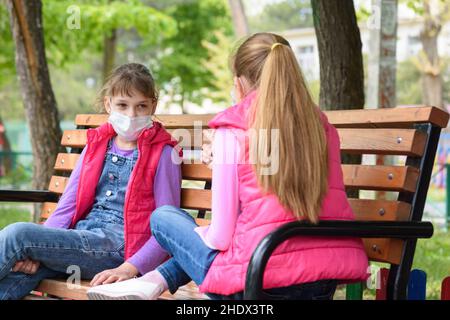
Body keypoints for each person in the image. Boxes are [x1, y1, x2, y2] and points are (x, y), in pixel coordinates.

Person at [87, 33, 369, 300]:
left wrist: (198, 231)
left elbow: (221, 237)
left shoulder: (233, 128)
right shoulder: (321, 127)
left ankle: (152, 281)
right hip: (321, 284)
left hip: (254, 286)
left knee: (164, 218)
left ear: (239, 82)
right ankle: (152, 282)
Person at [0, 63, 182, 300]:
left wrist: (129, 268)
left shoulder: (164, 154)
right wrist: (37, 251)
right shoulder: (96, 146)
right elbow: (69, 204)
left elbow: (167, 229)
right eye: (122, 106)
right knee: (17, 274)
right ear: (108, 104)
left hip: (119, 247)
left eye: (141, 106)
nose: (131, 115)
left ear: (153, 106)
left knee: (18, 235)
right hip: (82, 239)